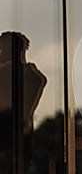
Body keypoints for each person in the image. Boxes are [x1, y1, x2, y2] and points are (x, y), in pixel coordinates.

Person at [0, 32, 47, 173]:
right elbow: (41, 80)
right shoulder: (29, 74)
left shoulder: (10, 72)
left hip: (8, 143)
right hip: (20, 142)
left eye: (2, 49)